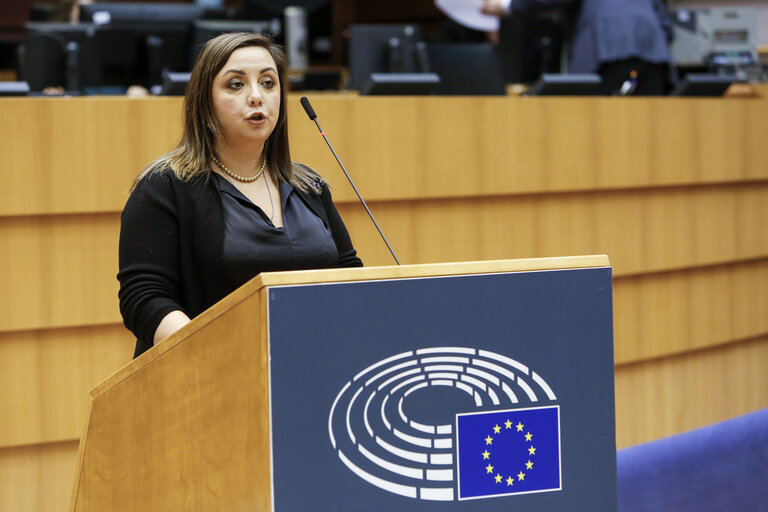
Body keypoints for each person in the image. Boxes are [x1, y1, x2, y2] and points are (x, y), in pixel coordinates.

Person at [118, 33, 362, 358]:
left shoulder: (309, 186)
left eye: (268, 83)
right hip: (207, 379)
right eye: (236, 84)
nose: (257, 97)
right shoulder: (166, 186)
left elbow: (350, 276)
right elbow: (145, 296)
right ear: (205, 100)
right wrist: (212, 355)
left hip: (312, 370)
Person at [481, 0, 676, 95]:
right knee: (651, 135)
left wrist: (508, 4)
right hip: (653, 52)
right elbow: (666, 24)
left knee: (599, 132)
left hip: (605, 49)